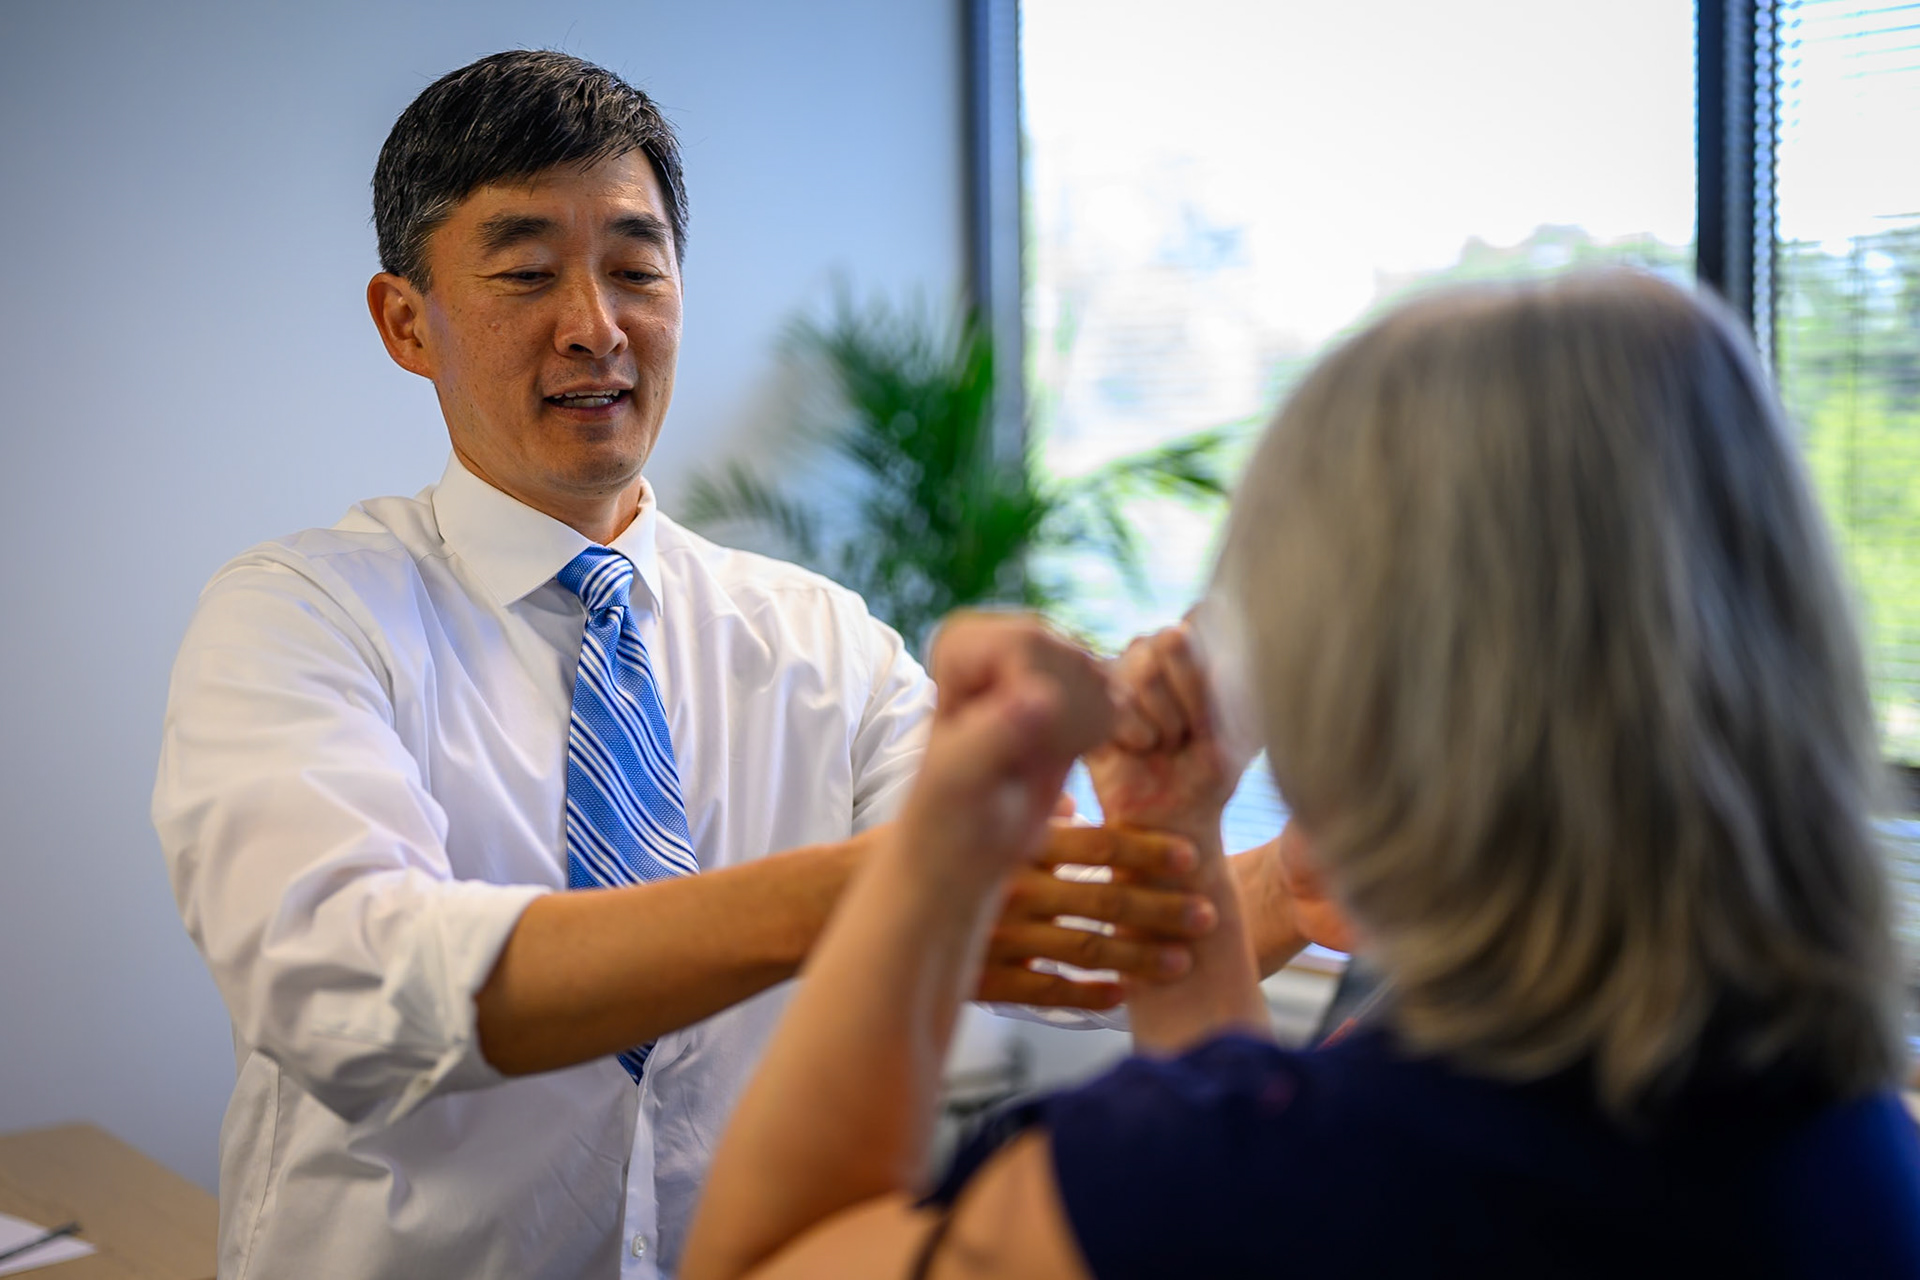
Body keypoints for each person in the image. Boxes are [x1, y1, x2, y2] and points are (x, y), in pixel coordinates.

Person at [152, 50, 1306, 1280]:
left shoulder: (822, 642)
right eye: (527, 273)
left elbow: (1045, 935)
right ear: (405, 323)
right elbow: (348, 980)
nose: (596, 326)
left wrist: (1295, 881)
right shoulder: (304, 615)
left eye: (636, 270)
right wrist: (869, 892)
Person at [678, 270, 1920, 1280]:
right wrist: (1170, 833)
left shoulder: (1259, 1176)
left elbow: (766, 1262)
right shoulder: (1847, 1142)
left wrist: (944, 843)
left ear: (1360, 685)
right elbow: (1239, 1157)